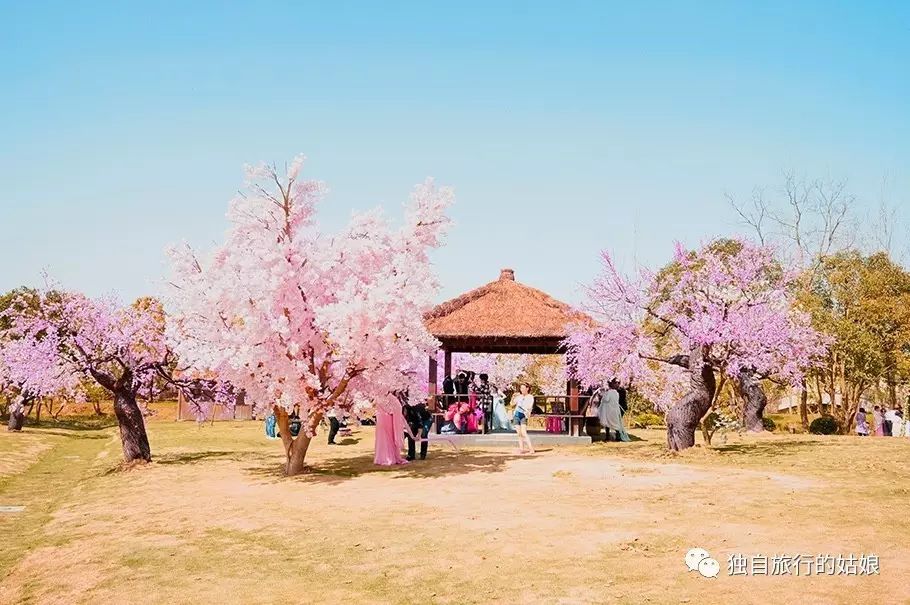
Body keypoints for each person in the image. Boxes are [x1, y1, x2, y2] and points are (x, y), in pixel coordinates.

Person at [374, 398, 409, 466]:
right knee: (386, 439)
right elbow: (395, 410)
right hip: (385, 420)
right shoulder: (391, 399)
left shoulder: (380, 398)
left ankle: (384, 457)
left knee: (385, 439)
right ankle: (387, 457)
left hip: (383, 419)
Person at [512, 383, 535, 454]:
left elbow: (529, 406)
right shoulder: (519, 396)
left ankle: (531, 448)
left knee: (524, 432)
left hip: (524, 415)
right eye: (521, 388)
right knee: (519, 433)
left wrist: (522, 406)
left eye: (523, 388)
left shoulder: (530, 397)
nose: (522, 390)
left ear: (527, 388)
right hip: (516, 415)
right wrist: (513, 397)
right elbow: (512, 404)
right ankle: (521, 449)